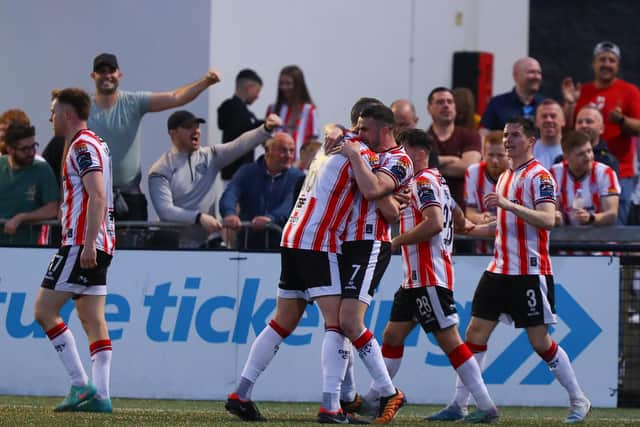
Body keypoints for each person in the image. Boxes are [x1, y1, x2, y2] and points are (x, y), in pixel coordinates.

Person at [225, 98, 400, 425]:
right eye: (363, 128)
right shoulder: (361, 151)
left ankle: (242, 392)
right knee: (340, 324)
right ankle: (332, 405)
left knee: (282, 321)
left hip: (292, 235)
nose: (365, 133)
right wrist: (394, 197)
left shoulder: (329, 146)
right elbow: (381, 197)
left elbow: (332, 136)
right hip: (318, 242)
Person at [427, 117, 591, 424]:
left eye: (514, 135)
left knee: (540, 342)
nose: (507, 140)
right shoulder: (505, 177)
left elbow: (548, 220)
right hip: (498, 269)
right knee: (474, 333)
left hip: (529, 272)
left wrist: (509, 205)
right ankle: (459, 404)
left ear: (530, 141)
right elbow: (504, 228)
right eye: (505, 135)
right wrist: (471, 229)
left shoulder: (540, 176)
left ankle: (578, 399)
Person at [354, 128, 499, 423]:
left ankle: (485, 406)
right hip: (414, 279)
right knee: (392, 335)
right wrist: (484, 228)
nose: (399, 159)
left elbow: (433, 223)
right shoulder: (438, 182)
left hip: (429, 277)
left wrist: (395, 241)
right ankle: (373, 398)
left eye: (403, 151)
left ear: (419, 153)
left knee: (450, 341)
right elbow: (458, 219)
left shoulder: (422, 181)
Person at [33, 87, 116, 413]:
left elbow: (96, 195)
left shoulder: (82, 146)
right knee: (92, 319)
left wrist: (85, 245)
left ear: (68, 114)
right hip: (98, 242)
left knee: (43, 311)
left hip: (81, 243)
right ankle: (102, 396)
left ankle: (82, 386)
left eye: (54, 110)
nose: (50, 117)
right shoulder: (96, 143)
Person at [87, 52, 222, 220]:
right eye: (101, 71)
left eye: (111, 71)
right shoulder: (83, 108)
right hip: (91, 197)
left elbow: (175, 97)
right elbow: (68, 149)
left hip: (129, 198)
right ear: (93, 76)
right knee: (91, 247)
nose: (107, 75)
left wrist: (206, 82)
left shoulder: (133, 103)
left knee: (132, 246)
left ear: (119, 74)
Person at [148, 111, 281, 246]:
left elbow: (239, 145)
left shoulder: (211, 155)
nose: (196, 131)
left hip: (205, 244)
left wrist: (265, 129)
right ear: (173, 133)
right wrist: (198, 217)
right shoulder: (160, 169)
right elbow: (165, 211)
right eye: (188, 127)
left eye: (198, 126)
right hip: (172, 247)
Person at [562, 41, 640, 224]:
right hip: (581, 169)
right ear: (594, 63)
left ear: (617, 65)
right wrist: (570, 104)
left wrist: (622, 121)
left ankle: (614, 255)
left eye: (611, 60)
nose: (606, 64)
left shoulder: (629, 91)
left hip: (620, 169)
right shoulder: (583, 91)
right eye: (602, 59)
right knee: (579, 219)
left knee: (615, 223)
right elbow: (567, 130)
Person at [219, 132, 305, 250]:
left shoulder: (298, 177)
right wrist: (230, 214)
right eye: (283, 150)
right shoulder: (247, 172)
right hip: (247, 245)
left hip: (282, 247)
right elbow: (230, 194)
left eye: (291, 151)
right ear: (267, 150)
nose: (288, 156)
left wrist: (271, 219)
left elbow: (290, 205)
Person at [0, 123, 59, 245]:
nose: (31, 152)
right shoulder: (1, 166)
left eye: (33, 146)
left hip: (28, 248)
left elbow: (52, 209)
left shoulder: (42, 169)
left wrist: (22, 218)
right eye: (25, 149)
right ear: (10, 149)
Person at [427, 87, 481, 208]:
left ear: (455, 108)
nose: (446, 105)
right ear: (429, 109)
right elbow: (416, 168)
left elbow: (469, 168)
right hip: (431, 210)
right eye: (440, 102)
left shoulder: (470, 136)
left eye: (450, 102)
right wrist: (452, 159)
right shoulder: (422, 139)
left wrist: (431, 164)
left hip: (463, 210)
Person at [551, 131, 619, 227]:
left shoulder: (605, 173)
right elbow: (554, 211)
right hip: (565, 238)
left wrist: (590, 218)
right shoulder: (554, 174)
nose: (588, 157)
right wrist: (556, 218)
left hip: (599, 238)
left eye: (589, 151)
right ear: (566, 157)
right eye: (581, 154)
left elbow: (612, 214)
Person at [464, 131, 509, 254]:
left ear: (508, 155)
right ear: (483, 154)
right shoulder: (473, 172)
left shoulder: (516, 175)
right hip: (480, 248)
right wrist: (481, 218)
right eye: (490, 155)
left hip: (510, 245)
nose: (495, 160)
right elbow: (470, 212)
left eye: (500, 155)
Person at [218, 69, 264, 183]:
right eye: (257, 91)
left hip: (241, 173)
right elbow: (240, 132)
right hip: (235, 173)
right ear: (249, 87)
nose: (258, 96)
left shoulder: (245, 113)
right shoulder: (231, 107)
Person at [480, 57, 544, 134]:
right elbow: (484, 134)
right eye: (531, 72)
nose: (536, 76)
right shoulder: (497, 104)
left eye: (539, 73)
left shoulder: (545, 105)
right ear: (515, 75)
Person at [266, 65, 317, 160]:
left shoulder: (309, 110)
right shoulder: (272, 109)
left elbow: (312, 144)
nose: (284, 87)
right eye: (281, 83)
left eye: (288, 83)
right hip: (275, 167)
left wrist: (299, 164)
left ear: (298, 85)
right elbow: (266, 138)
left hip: (299, 169)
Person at [569, 106, 619, 174]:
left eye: (589, 122)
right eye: (579, 122)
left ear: (601, 128)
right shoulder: (563, 159)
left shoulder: (608, 162)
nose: (583, 125)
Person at [390, 98, 438, 169]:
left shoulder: (425, 144)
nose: (397, 129)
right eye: (394, 124)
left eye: (404, 125)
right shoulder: (382, 145)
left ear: (416, 121)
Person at [533, 99, 565, 170]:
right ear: (536, 122)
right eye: (544, 116)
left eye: (553, 116)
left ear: (563, 121)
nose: (548, 120)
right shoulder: (528, 151)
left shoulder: (572, 150)